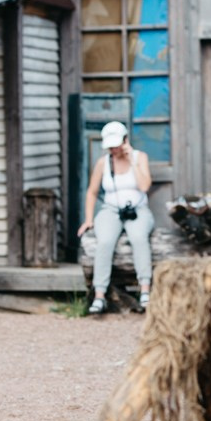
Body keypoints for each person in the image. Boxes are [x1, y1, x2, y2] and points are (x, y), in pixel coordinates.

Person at [77, 121, 155, 315]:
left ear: (125, 141)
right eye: (110, 146)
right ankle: (99, 294)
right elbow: (92, 192)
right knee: (105, 241)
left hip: (137, 209)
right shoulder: (103, 163)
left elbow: (144, 186)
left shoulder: (140, 157)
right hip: (111, 209)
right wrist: (89, 219)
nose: (113, 150)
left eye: (116, 145)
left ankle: (145, 289)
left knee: (139, 238)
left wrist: (132, 161)